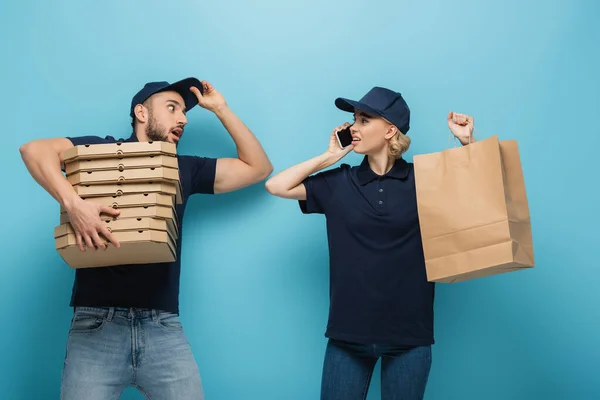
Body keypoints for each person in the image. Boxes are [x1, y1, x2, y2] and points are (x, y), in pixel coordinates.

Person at [19, 77, 273, 399]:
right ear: (141, 112)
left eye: (184, 113)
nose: (182, 119)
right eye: (172, 108)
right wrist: (74, 204)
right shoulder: (100, 151)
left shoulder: (184, 168)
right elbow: (34, 150)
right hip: (96, 326)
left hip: (163, 328)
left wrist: (221, 109)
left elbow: (258, 167)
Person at [265, 86, 475, 400]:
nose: (354, 127)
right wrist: (330, 156)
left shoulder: (424, 181)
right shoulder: (339, 183)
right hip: (347, 338)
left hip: (409, 339)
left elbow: (480, 193)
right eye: (354, 120)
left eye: (364, 120)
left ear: (390, 130)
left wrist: (468, 142)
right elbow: (276, 185)